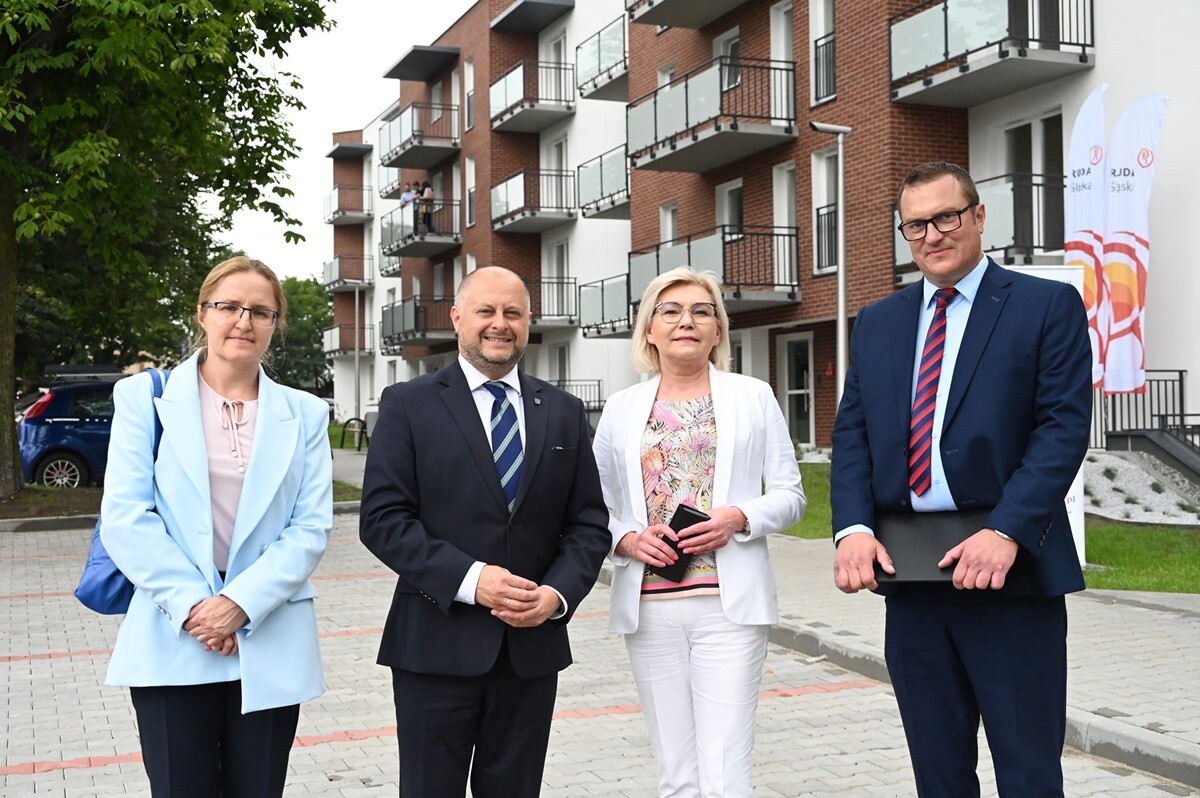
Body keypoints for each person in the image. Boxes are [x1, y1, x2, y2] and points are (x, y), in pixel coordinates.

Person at [830, 161, 1092, 798]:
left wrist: (1006, 529)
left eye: (946, 217)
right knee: (938, 773)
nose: (932, 234)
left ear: (978, 218)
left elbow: (1061, 430)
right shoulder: (879, 323)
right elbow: (853, 436)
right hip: (913, 581)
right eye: (915, 224)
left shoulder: (1044, 306)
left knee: (1028, 772)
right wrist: (853, 530)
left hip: (1011, 576)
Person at [359, 266, 610, 798]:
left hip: (531, 648)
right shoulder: (409, 404)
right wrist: (473, 581)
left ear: (528, 322)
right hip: (434, 646)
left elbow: (588, 524)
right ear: (458, 319)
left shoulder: (562, 411)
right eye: (486, 312)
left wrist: (557, 596)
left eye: (513, 313)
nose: (500, 324)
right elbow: (383, 520)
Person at [100, 255, 334, 797]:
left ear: (276, 324)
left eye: (260, 311)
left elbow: (310, 527)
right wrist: (197, 609)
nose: (243, 321)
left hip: (268, 634)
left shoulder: (304, 414)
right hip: (172, 636)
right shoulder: (145, 399)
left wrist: (241, 604)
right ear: (202, 314)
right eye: (228, 306)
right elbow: (127, 516)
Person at [593, 266, 806, 797]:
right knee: (676, 772)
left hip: (728, 606)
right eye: (670, 311)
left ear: (718, 331)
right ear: (649, 330)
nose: (686, 320)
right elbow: (594, 507)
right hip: (651, 605)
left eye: (701, 311)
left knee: (725, 768)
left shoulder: (752, 396)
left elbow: (791, 495)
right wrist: (625, 539)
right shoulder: (620, 409)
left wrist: (739, 518)